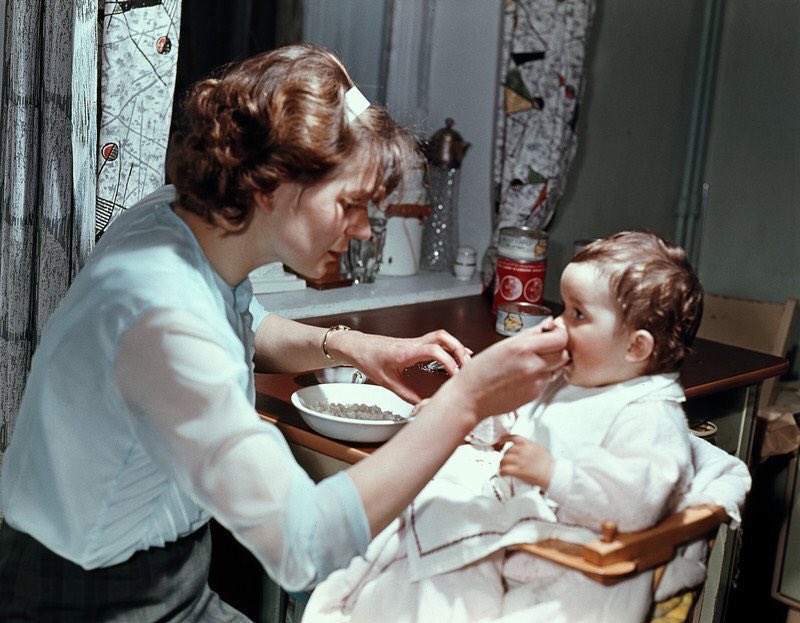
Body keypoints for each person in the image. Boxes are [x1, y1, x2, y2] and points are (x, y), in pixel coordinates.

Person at [0, 44, 570, 620]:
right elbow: (305, 547)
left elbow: (242, 324)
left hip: (170, 573)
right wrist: (467, 404)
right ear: (273, 184)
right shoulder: (163, 318)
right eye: (351, 204)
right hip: (88, 602)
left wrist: (351, 345)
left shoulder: (177, 221)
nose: (366, 229)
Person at [303, 231, 751, 623]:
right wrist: (471, 409)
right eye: (563, 307)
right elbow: (514, 419)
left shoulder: (649, 415)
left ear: (636, 346)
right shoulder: (571, 377)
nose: (556, 324)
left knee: (453, 556)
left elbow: (637, 502)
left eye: (578, 314)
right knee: (432, 523)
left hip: (572, 561)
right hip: (521, 532)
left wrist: (554, 474)